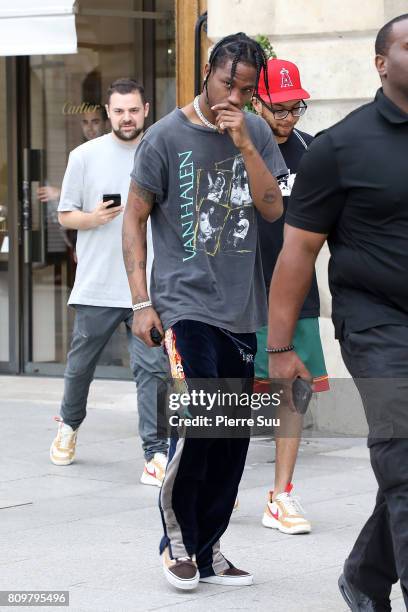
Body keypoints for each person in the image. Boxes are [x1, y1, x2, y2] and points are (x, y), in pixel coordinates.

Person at [122, 32, 286, 591]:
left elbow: (272, 209)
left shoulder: (256, 130)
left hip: (242, 308)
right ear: (207, 74)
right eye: (226, 85)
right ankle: (176, 547)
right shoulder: (165, 137)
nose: (232, 99)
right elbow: (134, 217)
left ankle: (211, 550)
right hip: (183, 305)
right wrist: (142, 301)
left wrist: (243, 143)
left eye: (245, 90)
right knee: (196, 427)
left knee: (231, 437)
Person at [266, 14, 408, 611]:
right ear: (381, 62)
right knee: (404, 455)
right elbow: (298, 250)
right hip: (376, 322)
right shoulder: (340, 147)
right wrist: (279, 347)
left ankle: (364, 576)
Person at [49, 78, 169, 487]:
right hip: (98, 283)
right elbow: (65, 214)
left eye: (133, 110)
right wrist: (93, 219)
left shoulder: (161, 152)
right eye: (119, 111)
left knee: (152, 369)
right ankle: (68, 425)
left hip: (146, 289)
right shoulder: (84, 156)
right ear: (108, 112)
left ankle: (156, 452)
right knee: (81, 364)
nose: (126, 117)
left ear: (146, 110)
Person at [251, 58, 329, 535]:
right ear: (257, 101)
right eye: (279, 107)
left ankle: (281, 495)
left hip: (296, 292)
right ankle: (200, 489)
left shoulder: (313, 151)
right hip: (238, 292)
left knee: (292, 393)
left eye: (296, 106)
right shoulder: (234, 148)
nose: (288, 117)